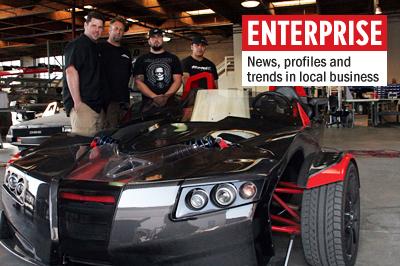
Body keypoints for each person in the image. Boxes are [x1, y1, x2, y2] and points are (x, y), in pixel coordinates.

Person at [63, 11, 105, 137]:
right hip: (84, 106)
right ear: (86, 25)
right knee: (84, 146)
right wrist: (78, 103)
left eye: (100, 27)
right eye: (93, 26)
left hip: (97, 106)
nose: (97, 30)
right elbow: (71, 72)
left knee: (96, 148)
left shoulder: (95, 47)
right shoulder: (77, 45)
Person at [133, 28, 182, 112]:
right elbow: (138, 82)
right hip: (148, 105)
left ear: (162, 39)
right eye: (153, 37)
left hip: (170, 104)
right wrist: (154, 97)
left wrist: (166, 96)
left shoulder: (173, 58)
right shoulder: (141, 60)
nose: (156, 40)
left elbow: (177, 80)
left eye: (159, 37)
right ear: (149, 41)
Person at [98, 17, 132, 129]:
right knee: (107, 134)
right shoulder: (99, 48)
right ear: (109, 30)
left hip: (123, 100)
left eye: (121, 30)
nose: (118, 32)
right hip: (106, 102)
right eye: (116, 28)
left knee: (123, 133)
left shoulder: (126, 52)